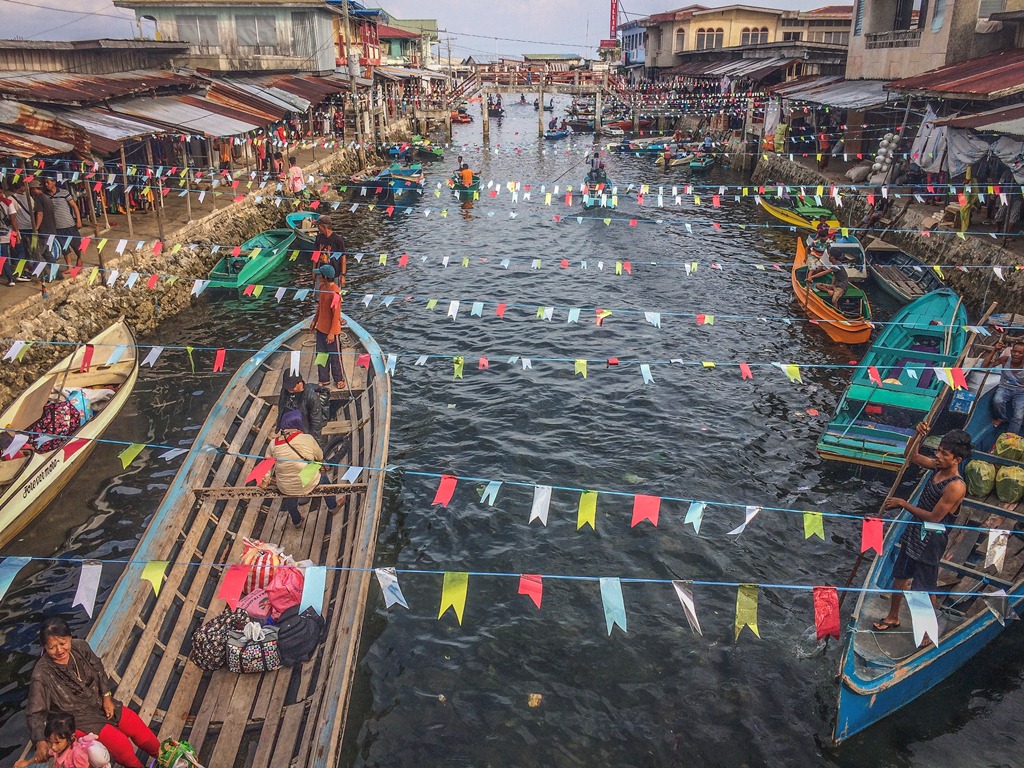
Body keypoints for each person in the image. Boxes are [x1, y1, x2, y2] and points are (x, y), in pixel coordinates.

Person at [873, 423, 971, 632]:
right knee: (900, 574)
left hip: (932, 538)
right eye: (938, 451)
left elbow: (935, 518)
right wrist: (918, 435)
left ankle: (927, 631)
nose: (938, 456)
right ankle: (893, 616)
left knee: (924, 587)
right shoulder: (938, 468)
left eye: (944, 454)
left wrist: (904, 504)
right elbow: (912, 456)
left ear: (957, 460)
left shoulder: (955, 486)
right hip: (915, 530)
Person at [25, 617, 159, 768]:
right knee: (121, 745)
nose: (59, 650)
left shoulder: (81, 647)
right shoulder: (41, 673)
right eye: (52, 647)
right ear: (44, 647)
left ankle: (166, 757)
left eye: (63, 643)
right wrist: (40, 741)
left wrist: (106, 697)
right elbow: (34, 713)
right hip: (78, 718)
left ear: (70, 637)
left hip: (98, 702)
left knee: (135, 725)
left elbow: (99, 670)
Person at [265, 410, 337, 527]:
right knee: (322, 477)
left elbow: (266, 465)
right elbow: (319, 457)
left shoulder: (273, 443)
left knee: (289, 492)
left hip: (285, 486)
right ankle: (332, 506)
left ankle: (296, 521)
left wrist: (266, 479)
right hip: (307, 482)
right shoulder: (307, 438)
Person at [15, 711, 111, 768]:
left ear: (72, 737)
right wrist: (27, 762)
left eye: (57, 742)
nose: (53, 747)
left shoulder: (77, 755)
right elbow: (46, 755)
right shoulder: (58, 749)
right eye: (49, 742)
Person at [982, 338, 1024, 436]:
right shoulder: (1005, 359)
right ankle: (1002, 418)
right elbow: (984, 366)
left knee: (1018, 416)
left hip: (1021, 391)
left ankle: (1010, 437)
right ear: (1011, 351)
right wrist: (994, 350)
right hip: (1005, 387)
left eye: (1020, 353)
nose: (1016, 354)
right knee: (997, 400)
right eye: (1014, 351)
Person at [312, 263, 344, 389]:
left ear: (325, 277)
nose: (318, 277)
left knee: (335, 356)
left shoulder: (335, 293)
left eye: (320, 275)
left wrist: (331, 332)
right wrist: (315, 320)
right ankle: (324, 378)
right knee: (321, 354)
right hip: (321, 327)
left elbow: (336, 314)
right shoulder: (321, 287)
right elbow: (320, 307)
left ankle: (339, 378)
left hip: (331, 330)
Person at [45, 177, 83, 268]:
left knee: (76, 245)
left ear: (54, 182)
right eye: (45, 183)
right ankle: (69, 266)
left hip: (69, 224)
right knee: (64, 247)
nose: (46, 184)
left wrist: (78, 220)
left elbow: (74, 206)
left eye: (48, 182)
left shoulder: (64, 193)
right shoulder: (45, 196)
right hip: (57, 227)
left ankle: (80, 258)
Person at [277, 372, 324, 444]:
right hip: (287, 429)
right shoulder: (284, 390)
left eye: (292, 386)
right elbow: (281, 408)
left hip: (303, 429)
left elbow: (316, 422)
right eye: (287, 387)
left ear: (300, 382)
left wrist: (316, 442)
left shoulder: (312, 397)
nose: (289, 389)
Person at [29, 180, 58, 276]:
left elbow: (40, 214)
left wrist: (36, 228)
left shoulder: (39, 198)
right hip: (51, 229)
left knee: (38, 253)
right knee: (46, 253)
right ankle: (57, 273)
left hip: (44, 230)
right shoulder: (46, 198)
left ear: (34, 189)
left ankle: (46, 274)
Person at [312, 217, 346, 283]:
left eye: (318, 226)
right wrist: (313, 270)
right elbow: (316, 254)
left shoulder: (338, 239)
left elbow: (343, 258)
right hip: (321, 272)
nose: (317, 228)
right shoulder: (318, 238)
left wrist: (343, 275)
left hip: (335, 274)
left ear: (324, 227)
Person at [0, 185, 21, 286]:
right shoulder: (7, 203)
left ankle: (11, 276)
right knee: (7, 256)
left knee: (3, 257)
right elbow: (13, 219)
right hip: (7, 233)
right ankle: (12, 277)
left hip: (3, 235)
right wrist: (16, 232)